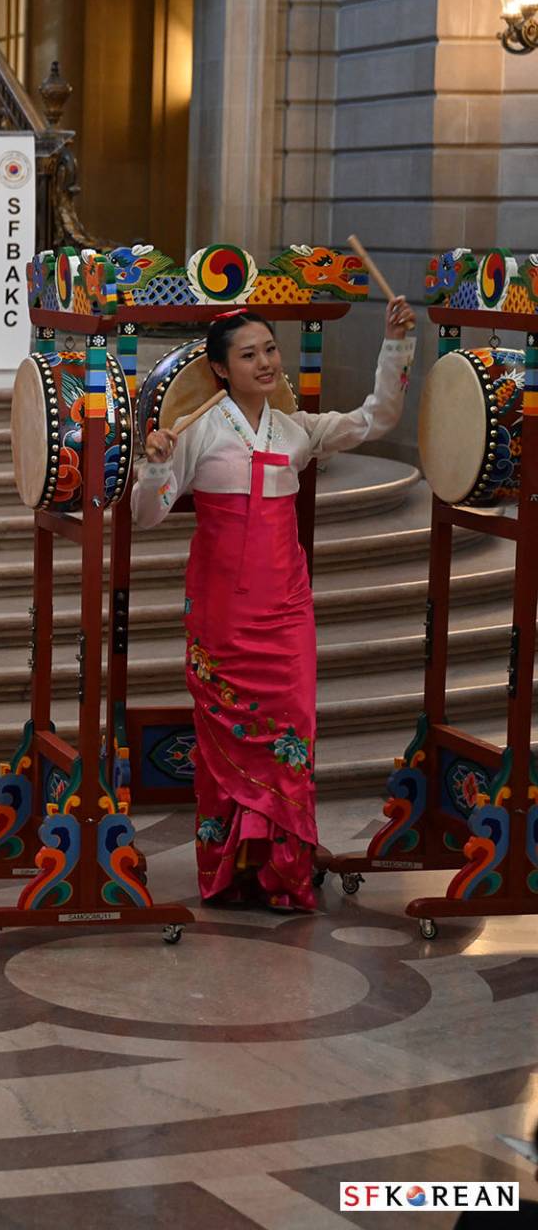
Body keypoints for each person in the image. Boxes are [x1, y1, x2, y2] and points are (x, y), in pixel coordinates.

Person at [133, 300, 415, 911]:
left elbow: (378, 417)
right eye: (248, 354)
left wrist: (395, 343)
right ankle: (231, 869)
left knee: (291, 733)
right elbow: (146, 515)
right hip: (222, 612)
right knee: (228, 737)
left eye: (269, 349)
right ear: (220, 369)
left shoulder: (296, 429)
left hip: (287, 608)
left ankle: (283, 873)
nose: (265, 362)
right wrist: (153, 466)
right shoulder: (195, 431)